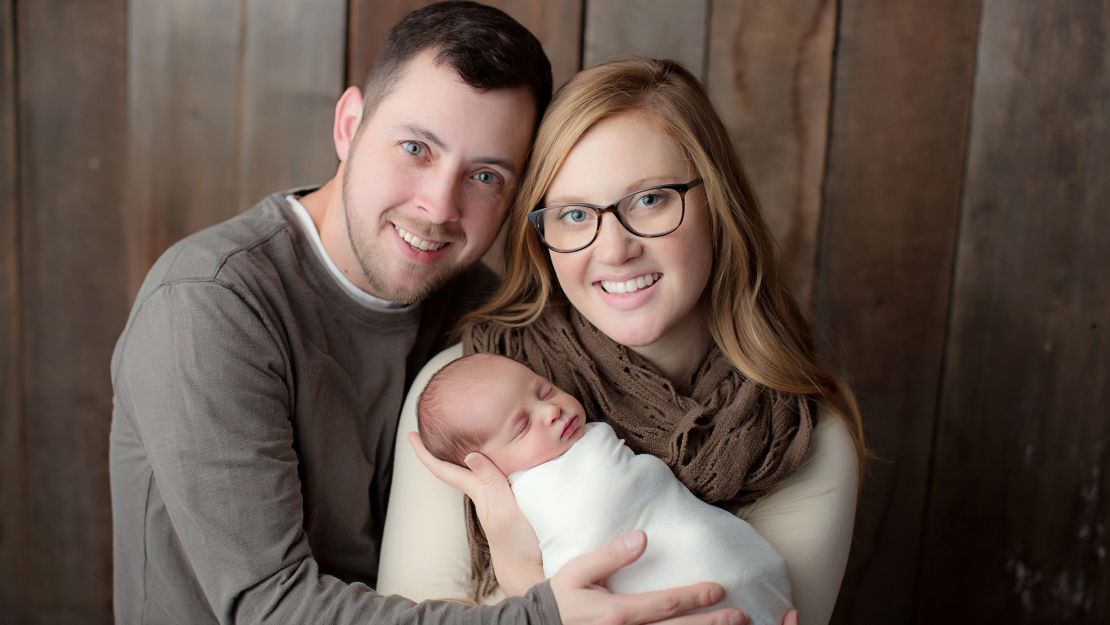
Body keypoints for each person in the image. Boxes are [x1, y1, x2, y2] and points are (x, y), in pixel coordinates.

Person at [109, 4, 751, 624]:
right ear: (349, 125)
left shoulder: (486, 315)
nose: (439, 207)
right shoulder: (210, 305)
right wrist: (538, 614)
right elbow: (266, 607)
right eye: (416, 148)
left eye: (486, 176)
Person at [378, 57, 864, 625]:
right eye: (575, 214)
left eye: (650, 199)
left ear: (719, 206)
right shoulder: (469, 396)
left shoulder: (801, 436)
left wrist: (525, 581)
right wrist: (530, 585)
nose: (612, 250)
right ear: (544, 239)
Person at [417, 352, 794, 625]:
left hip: (736, 567)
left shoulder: (593, 435)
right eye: (520, 427)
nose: (550, 412)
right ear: (487, 465)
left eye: (545, 392)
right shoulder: (521, 498)